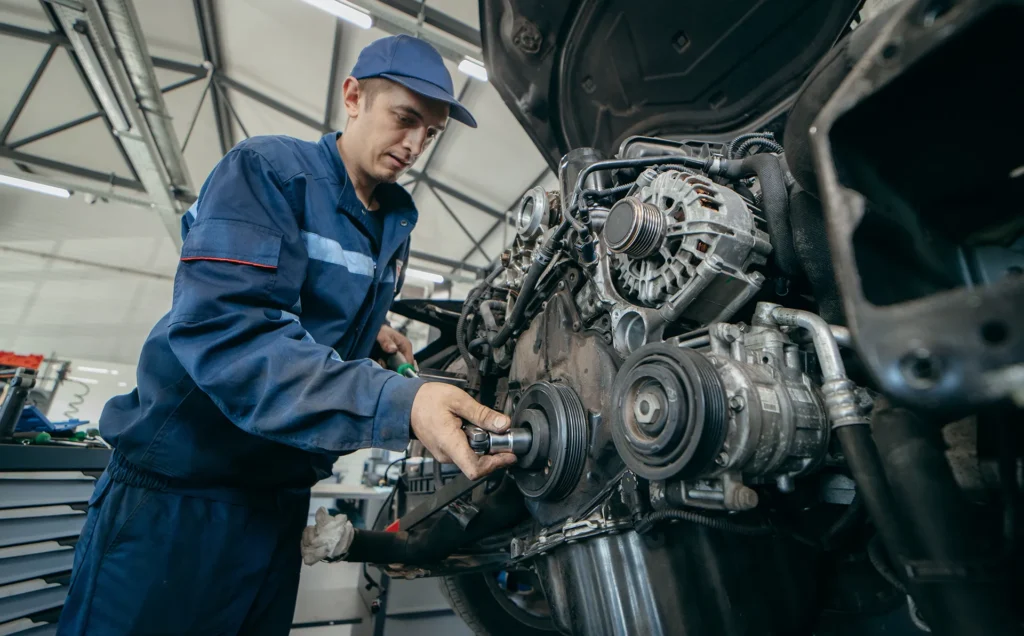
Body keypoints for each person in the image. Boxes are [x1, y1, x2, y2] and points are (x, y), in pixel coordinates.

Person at [57, 35, 515, 635]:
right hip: (179, 497)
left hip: (275, 507)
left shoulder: (391, 225)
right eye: (404, 119)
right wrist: (397, 400)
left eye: (428, 133)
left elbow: (306, 304)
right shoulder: (269, 172)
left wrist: (367, 329)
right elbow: (229, 332)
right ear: (353, 96)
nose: (414, 145)